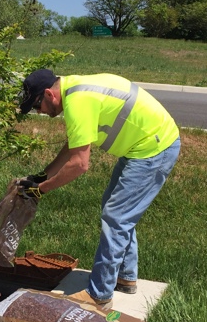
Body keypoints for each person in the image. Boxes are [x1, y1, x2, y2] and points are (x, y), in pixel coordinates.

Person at [16, 69, 181, 309]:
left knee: (116, 216)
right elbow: (75, 144)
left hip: (154, 149)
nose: (38, 112)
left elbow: (80, 164)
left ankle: (99, 294)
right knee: (116, 210)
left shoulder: (78, 102)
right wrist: (43, 175)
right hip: (143, 144)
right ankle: (125, 276)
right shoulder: (73, 90)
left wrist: (42, 189)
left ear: (50, 94)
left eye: (37, 105)